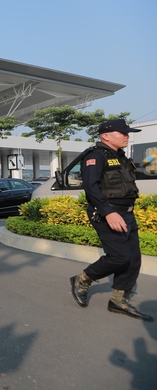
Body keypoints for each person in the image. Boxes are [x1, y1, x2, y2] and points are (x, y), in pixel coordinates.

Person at [69, 119, 153, 322]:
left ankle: (118, 300)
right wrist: (108, 212)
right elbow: (91, 187)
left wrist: (152, 159)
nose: (127, 136)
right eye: (122, 133)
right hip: (108, 213)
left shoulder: (121, 157)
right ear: (106, 135)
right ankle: (83, 279)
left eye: (127, 133)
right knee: (119, 257)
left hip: (126, 213)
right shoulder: (95, 156)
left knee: (133, 259)